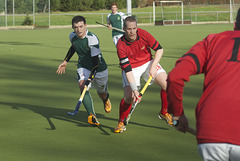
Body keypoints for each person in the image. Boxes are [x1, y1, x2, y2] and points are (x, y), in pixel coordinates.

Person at [167, 8, 240, 161]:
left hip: (211, 134)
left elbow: (175, 77)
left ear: (235, 25)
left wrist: (178, 114)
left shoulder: (213, 41)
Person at [114, 16, 173, 133]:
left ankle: (164, 112)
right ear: (124, 28)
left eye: (134, 28)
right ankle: (121, 122)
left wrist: (153, 65)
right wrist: (135, 90)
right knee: (129, 97)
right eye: (129, 29)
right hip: (131, 68)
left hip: (148, 63)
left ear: (137, 27)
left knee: (168, 84)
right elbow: (128, 70)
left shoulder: (144, 34)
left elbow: (159, 49)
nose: (132, 32)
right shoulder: (121, 45)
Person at [56, 16, 112, 127]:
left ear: (85, 26)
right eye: (76, 27)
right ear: (73, 27)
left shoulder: (92, 39)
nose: (79, 30)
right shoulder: (72, 36)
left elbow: (95, 62)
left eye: (81, 26)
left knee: (101, 93)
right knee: (82, 86)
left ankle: (106, 99)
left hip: (99, 68)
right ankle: (92, 116)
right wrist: (65, 61)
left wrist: (90, 78)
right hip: (83, 66)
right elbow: (74, 47)